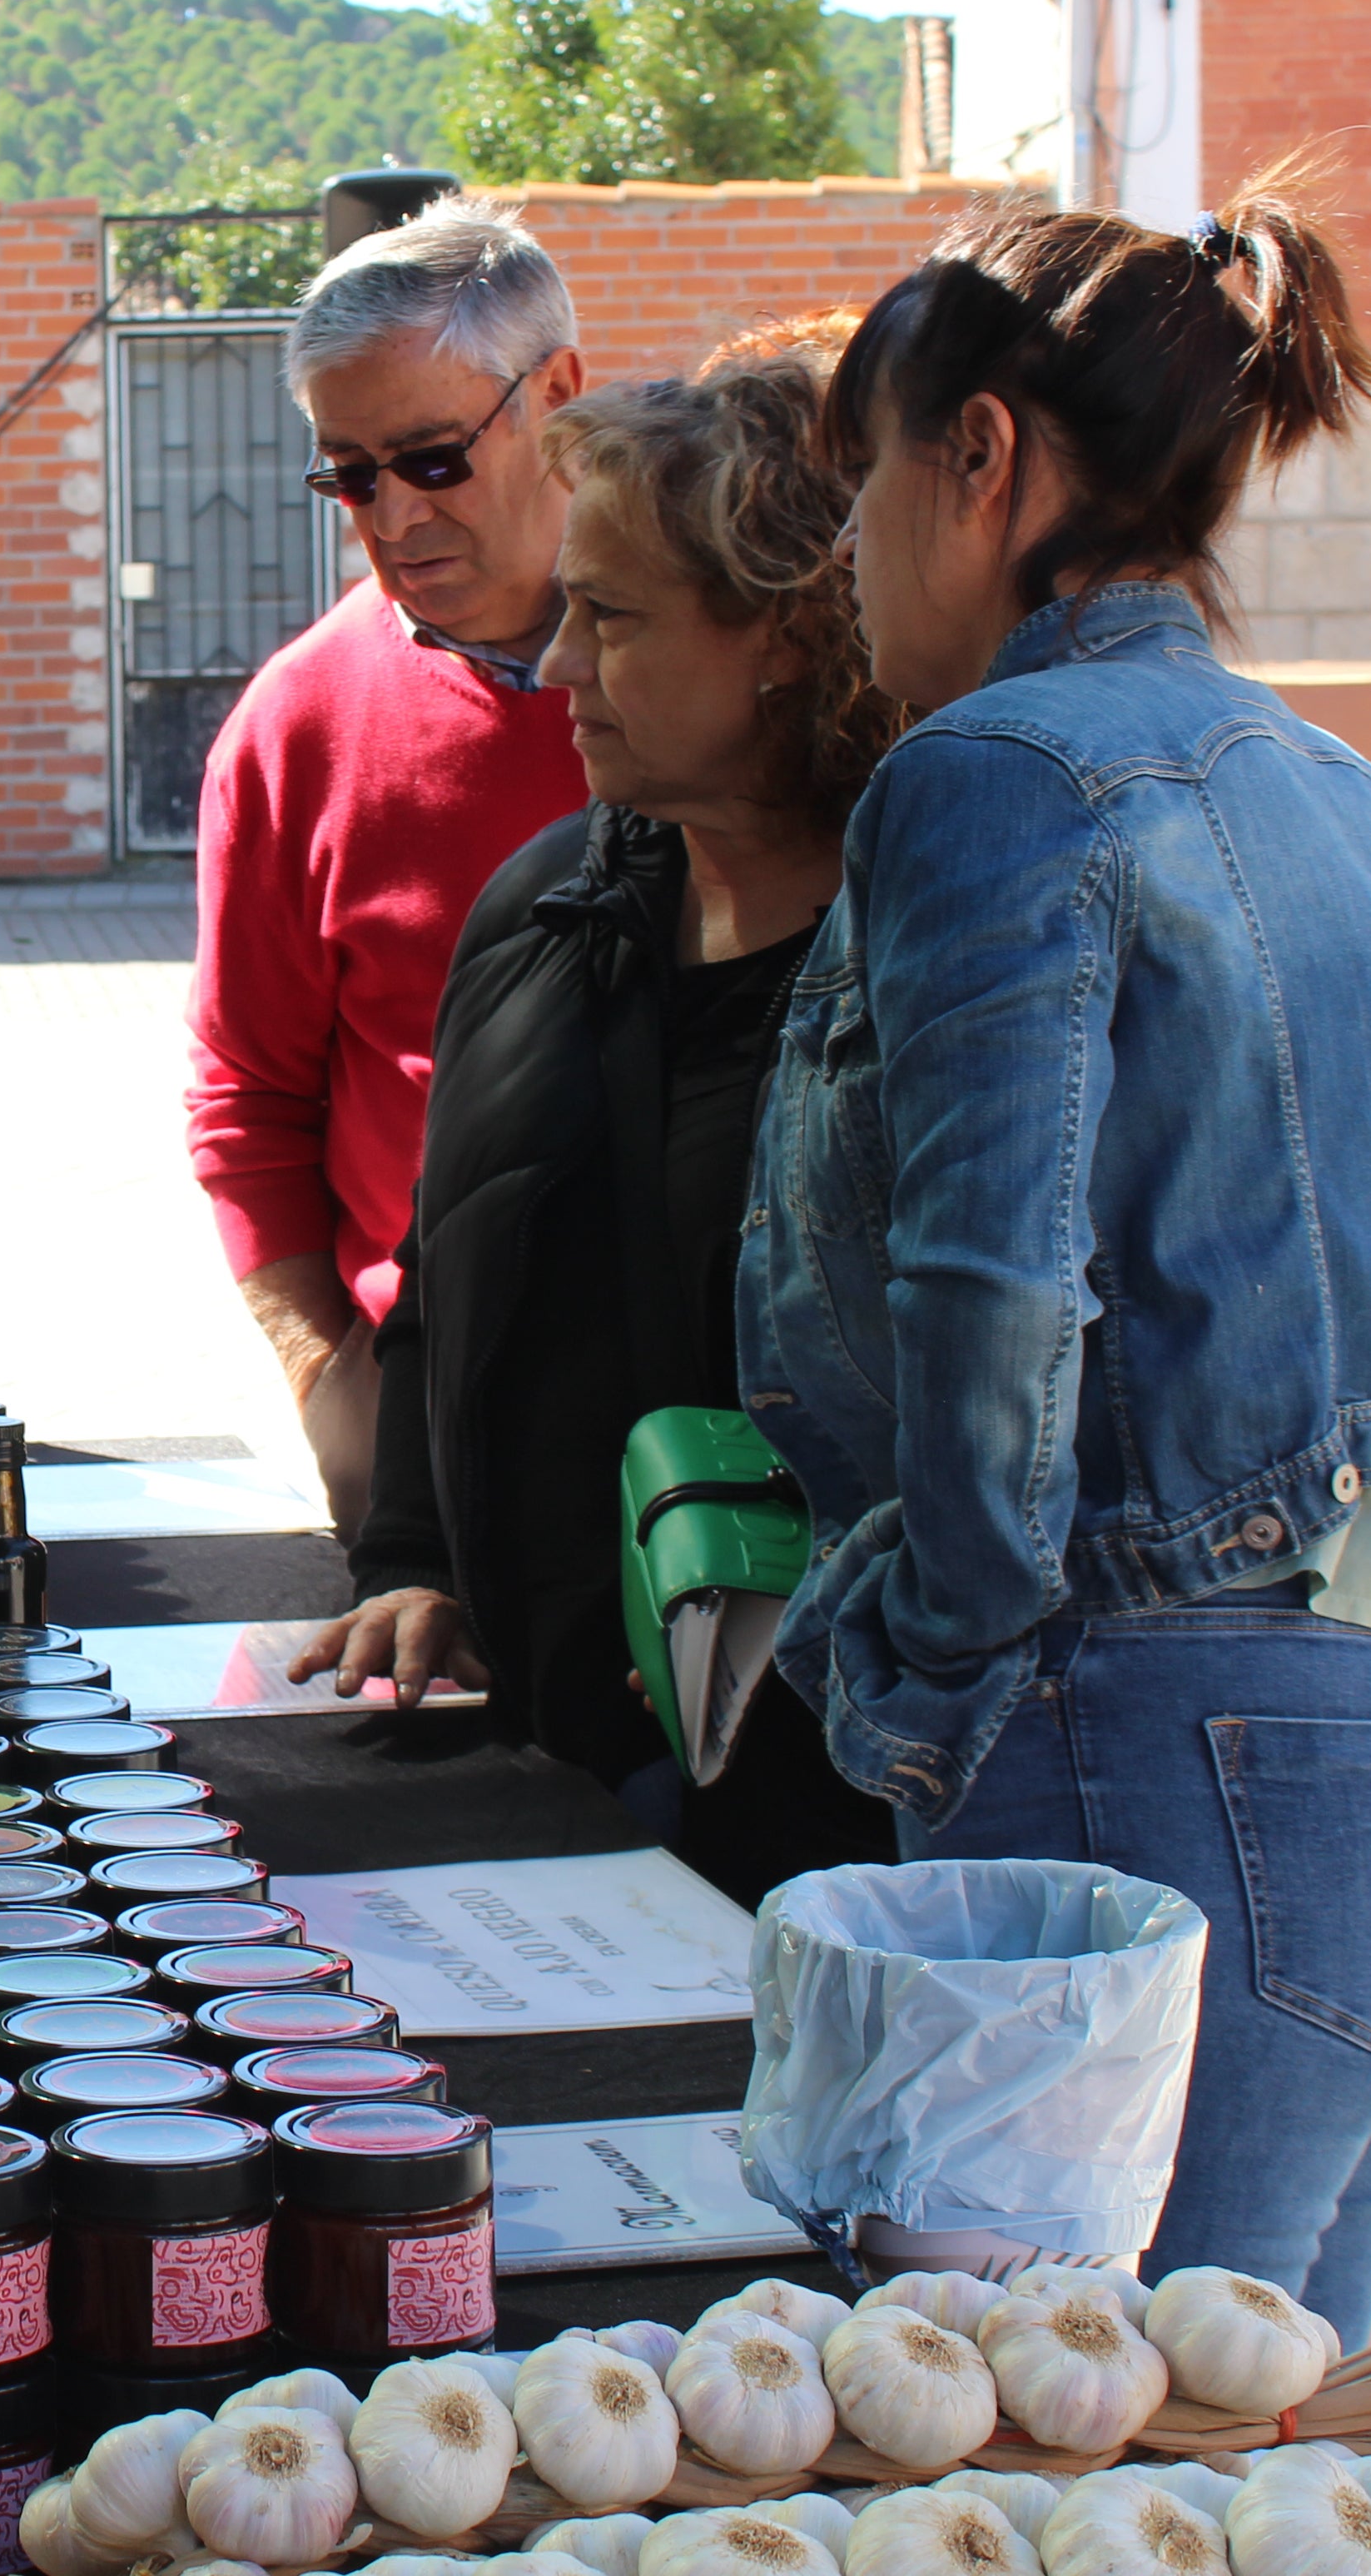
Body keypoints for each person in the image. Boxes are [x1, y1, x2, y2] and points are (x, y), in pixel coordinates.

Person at [754, 171, 1371, 2330]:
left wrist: (926, 1657)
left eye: (860, 494)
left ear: (982, 458)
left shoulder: (995, 776)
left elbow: (991, 1296)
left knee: (1079, 2482)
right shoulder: (1337, 785)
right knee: (1263, 2472)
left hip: (1181, 1763)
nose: (845, 566)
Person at [291, 341, 901, 1905]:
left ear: (784, 633)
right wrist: (413, 1555)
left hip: (823, 1812)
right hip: (543, 1767)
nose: (558, 664)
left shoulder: (924, 974)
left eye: (612, 618)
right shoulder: (546, 901)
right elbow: (447, 1269)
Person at [186, 202, 592, 1537]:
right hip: (431, 1432)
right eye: (350, 475)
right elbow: (247, 1101)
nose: (393, 516)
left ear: (559, 396)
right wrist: (332, 1386)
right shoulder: (298, 722)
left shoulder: (742, 660)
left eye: (429, 459)